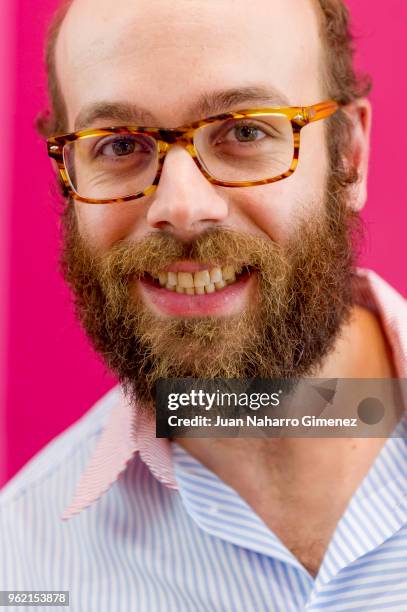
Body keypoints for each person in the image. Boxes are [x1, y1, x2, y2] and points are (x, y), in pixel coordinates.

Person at [1, 0, 406, 610]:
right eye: (117, 145)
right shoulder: (24, 569)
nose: (183, 207)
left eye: (245, 131)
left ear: (349, 157)